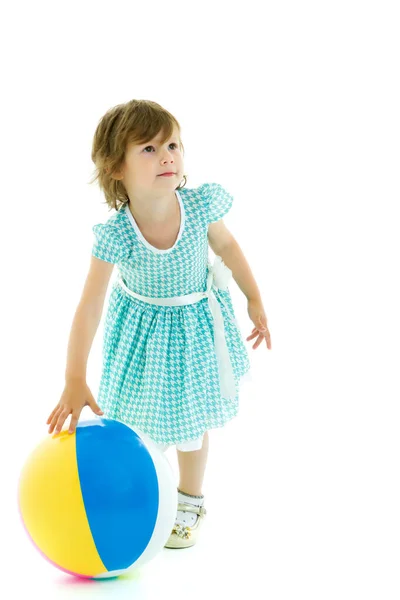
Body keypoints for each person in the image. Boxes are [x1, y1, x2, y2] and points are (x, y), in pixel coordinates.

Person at [45, 99, 272, 549]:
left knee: (191, 422)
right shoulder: (118, 234)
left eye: (172, 144)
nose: (168, 156)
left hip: (193, 331)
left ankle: (189, 501)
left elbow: (227, 247)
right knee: (138, 423)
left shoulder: (200, 207)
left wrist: (254, 297)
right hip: (142, 337)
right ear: (116, 168)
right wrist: (74, 376)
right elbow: (89, 306)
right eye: (148, 149)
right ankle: (146, 494)